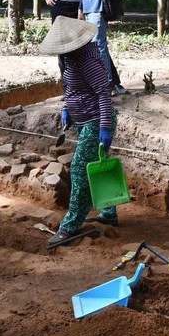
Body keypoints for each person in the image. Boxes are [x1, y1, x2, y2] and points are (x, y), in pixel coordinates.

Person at [38, 16, 119, 247]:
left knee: (79, 170)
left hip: (96, 122)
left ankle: (70, 225)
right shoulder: (70, 58)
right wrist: (67, 108)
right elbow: (72, 88)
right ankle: (109, 213)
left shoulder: (88, 60)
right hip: (84, 121)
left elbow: (104, 93)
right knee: (98, 166)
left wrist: (104, 127)